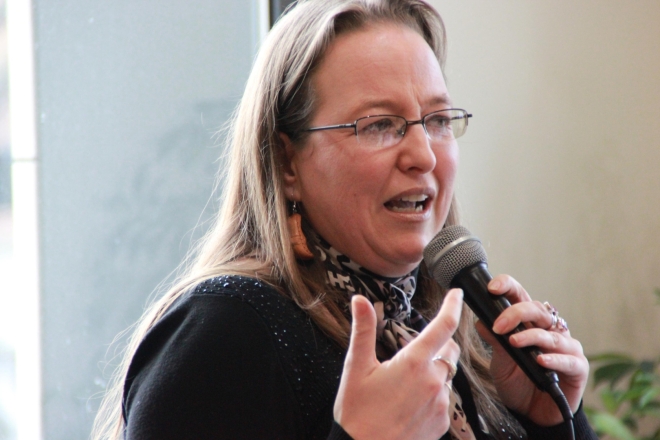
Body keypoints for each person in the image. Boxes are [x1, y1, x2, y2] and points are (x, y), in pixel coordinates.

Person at [92, 1, 598, 439]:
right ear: (287, 163)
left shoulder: (448, 332)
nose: (423, 155)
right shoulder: (224, 332)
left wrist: (549, 421)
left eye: (438, 120)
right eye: (379, 125)